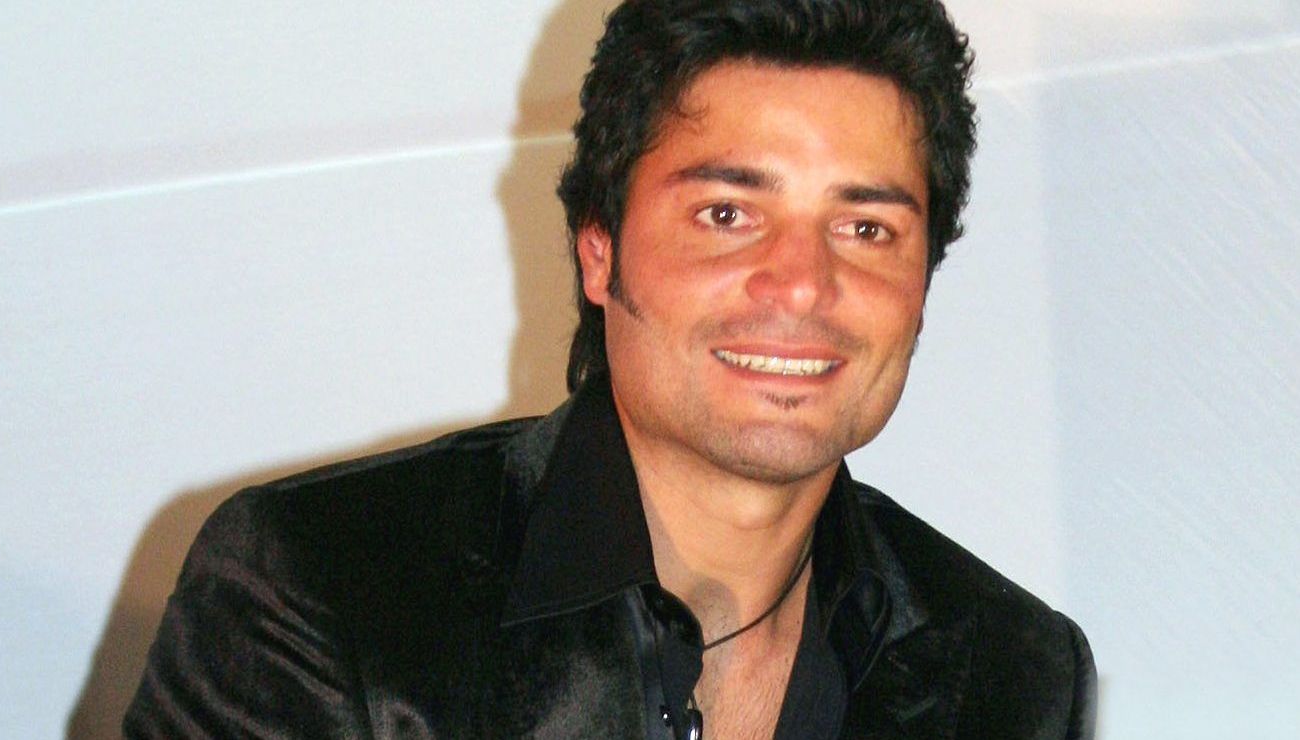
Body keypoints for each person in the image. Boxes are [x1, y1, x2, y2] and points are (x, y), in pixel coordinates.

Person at [125, 0, 1097, 737]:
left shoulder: (1014, 671)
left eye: (866, 227)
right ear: (598, 250)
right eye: (727, 214)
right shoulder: (326, 589)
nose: (802, 283)